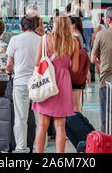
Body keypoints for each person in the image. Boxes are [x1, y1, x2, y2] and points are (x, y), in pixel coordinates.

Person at [32, 15, 79, 153]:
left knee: (42, 125)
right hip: (63, 84)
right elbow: (75, 69)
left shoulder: (44, 39)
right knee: (60, 126)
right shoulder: (73, 43)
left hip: (46, 81)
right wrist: (64, 66)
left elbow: (36, 62)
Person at [6, 15, 41, 153]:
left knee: (21, 117)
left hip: (20, 82)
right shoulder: (42, 40)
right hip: (38, 83)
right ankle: (40, 147)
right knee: (40, 118)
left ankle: (21, 148)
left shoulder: (15, 39)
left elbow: (9, 64)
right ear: (36, 26)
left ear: (21, 27)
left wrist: (11, 70)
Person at [69, 15, 86, 114]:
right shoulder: (80, 36)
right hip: (80, 73)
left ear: (73, 25)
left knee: (75, 104)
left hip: (75, 74)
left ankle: (79, 125)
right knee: (77, 103)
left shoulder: (75, 39)